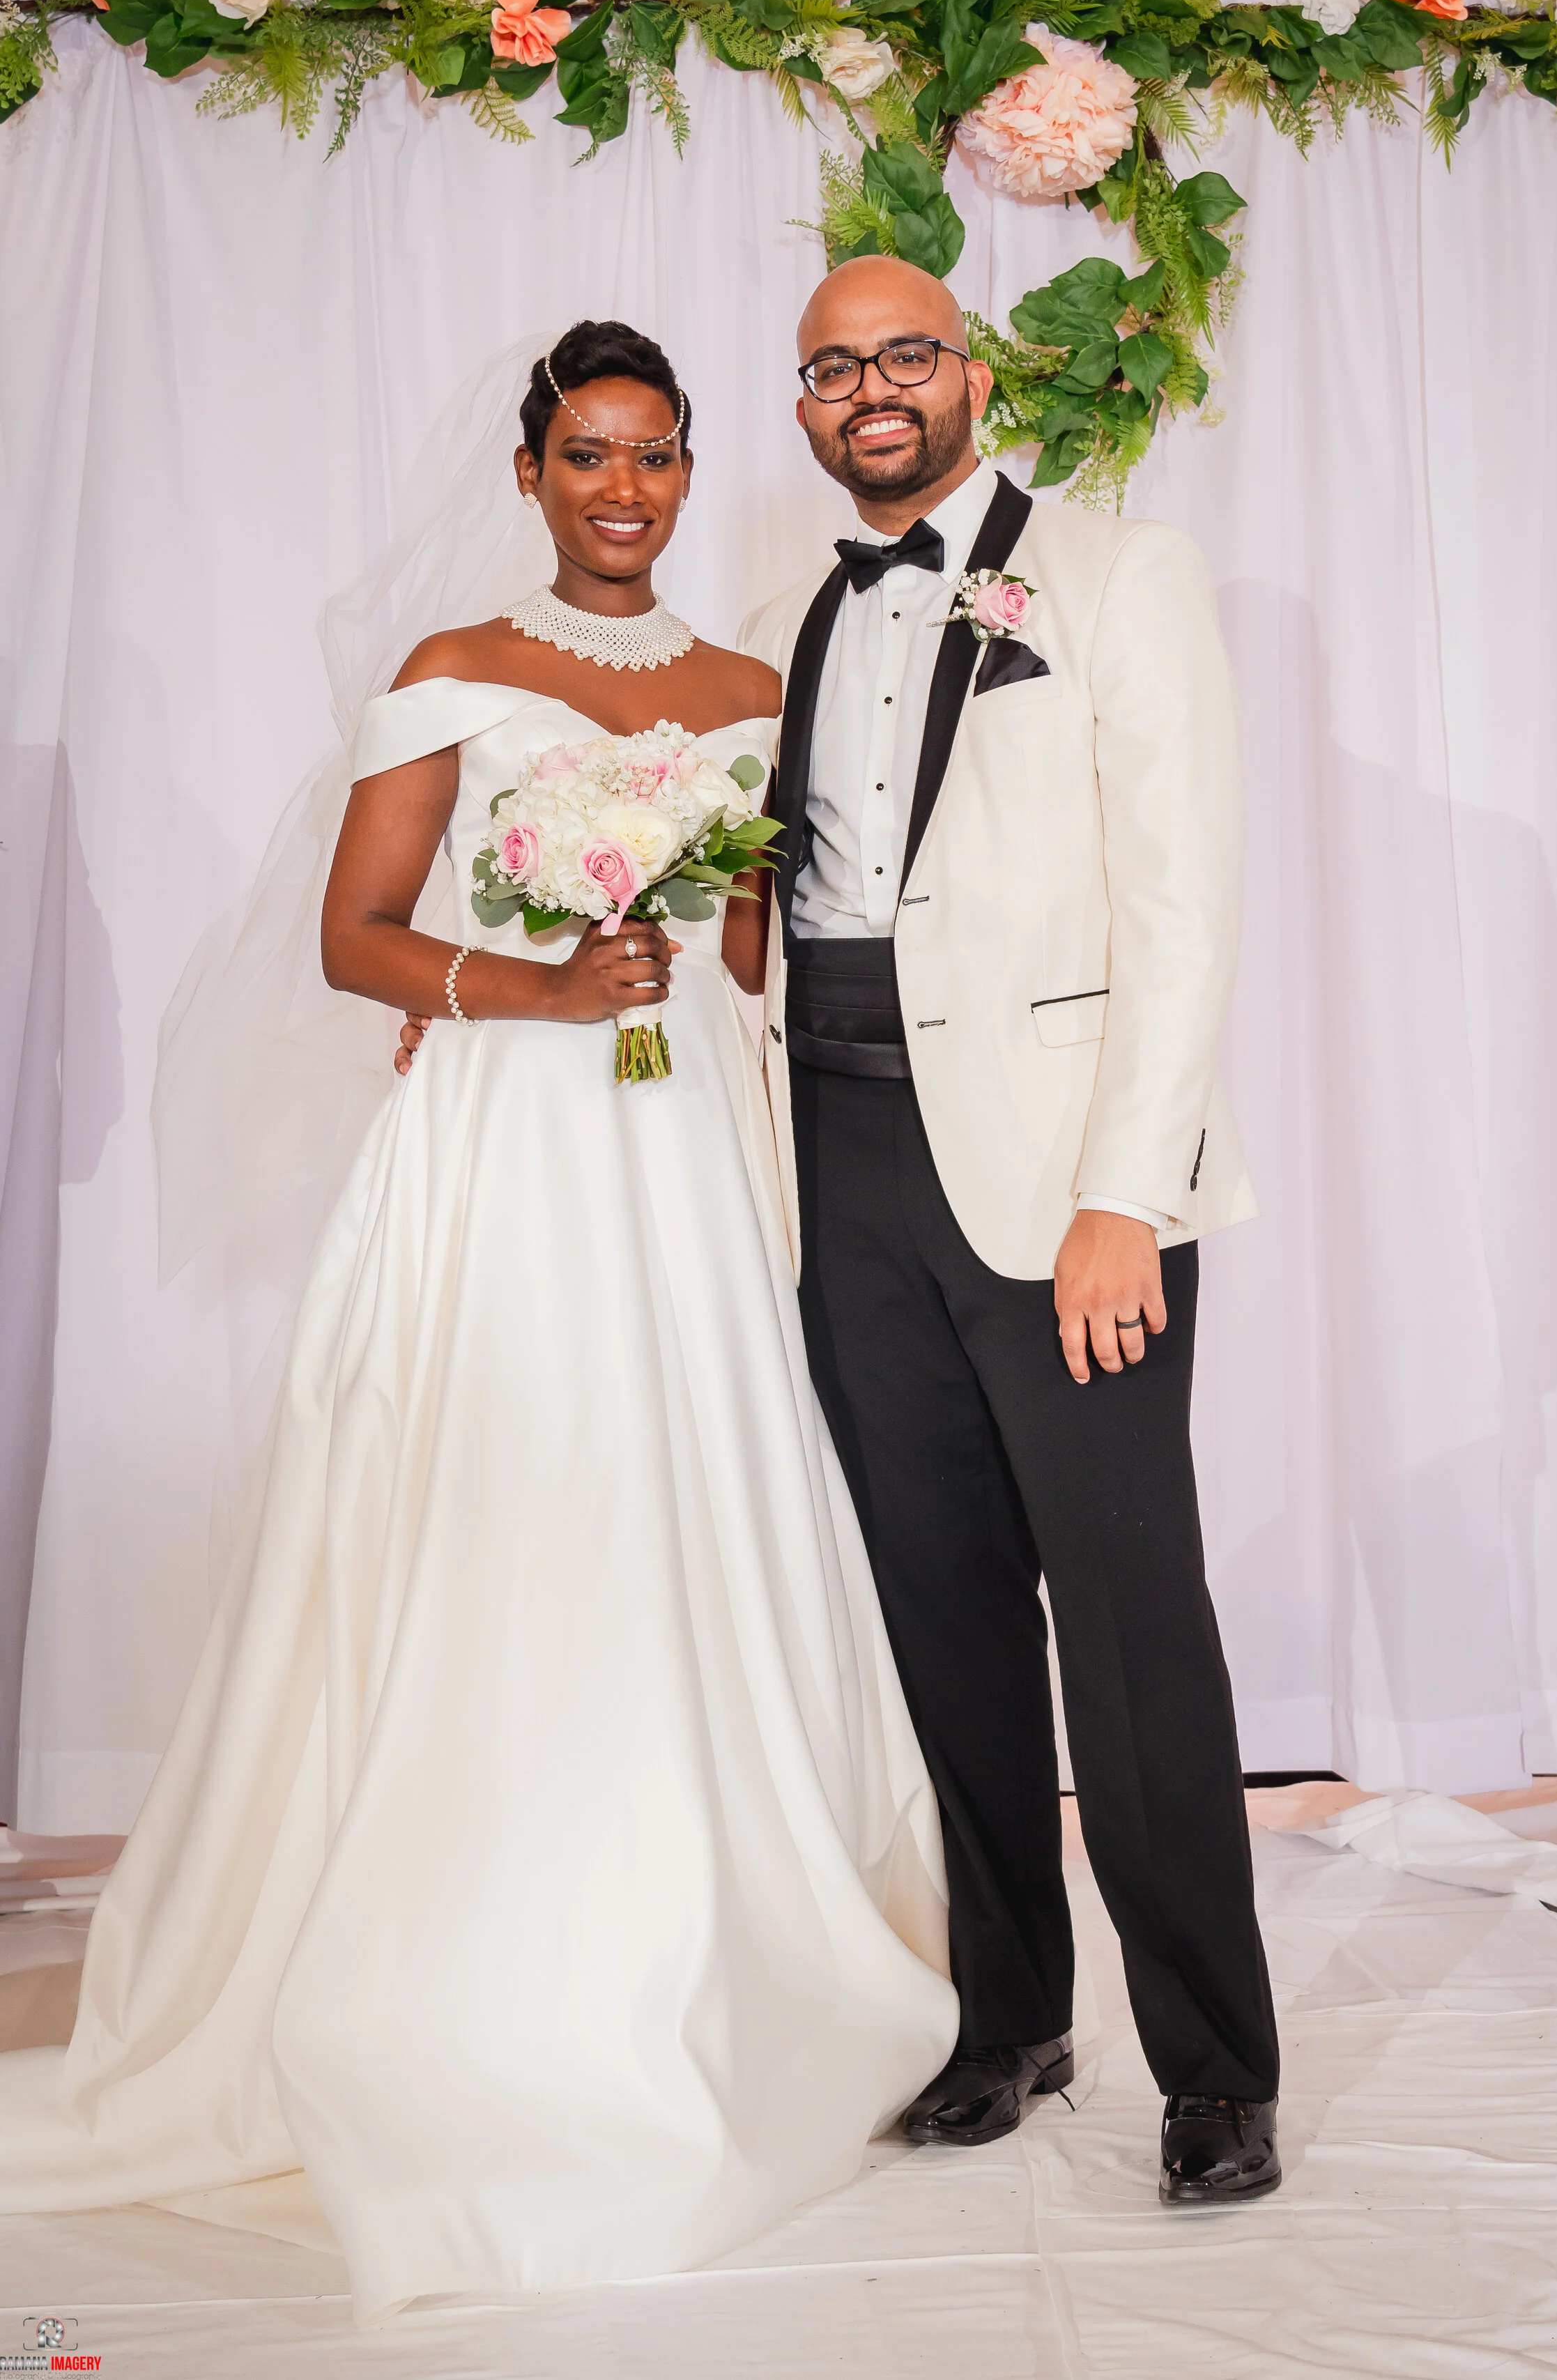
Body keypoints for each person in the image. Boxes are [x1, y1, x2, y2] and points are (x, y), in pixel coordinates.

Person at [0, 322, 959, 2320]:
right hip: (512, 1134)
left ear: (691, 472)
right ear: (528, 473)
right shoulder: (453, 668)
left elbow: (755, 944)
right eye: (587, 454)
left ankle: (719, 1933)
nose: (625, 489)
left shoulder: (747, 690)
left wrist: (727, 951)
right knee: (504, 1493)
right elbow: (351, 934)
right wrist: (533, 990)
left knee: (691, 1489)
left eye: (656, 455)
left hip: (687, 1139)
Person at [737, 255, 1281, 2203]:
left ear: (970, 374)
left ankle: (1214, 2065)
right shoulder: (788, 618)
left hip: (1062, 1186)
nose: (869, 387)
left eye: (904, 353)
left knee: (1130, 1626)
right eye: (832, 366)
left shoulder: (1122, 576)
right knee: (941, 1616)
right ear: (806, 402)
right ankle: (1010, 2019)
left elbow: (1184, 907)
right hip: (844, 1166)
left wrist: (1124, 1197)